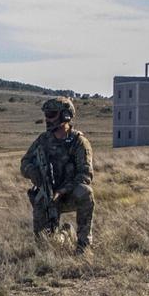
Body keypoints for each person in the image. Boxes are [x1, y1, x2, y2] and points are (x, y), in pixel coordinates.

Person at [20, 97, 95, 253]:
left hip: (70, 194)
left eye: (52, 114)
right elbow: (25, 163)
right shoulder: (43, 140)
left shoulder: (79, 142)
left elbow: (85, 175)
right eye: (46, 114)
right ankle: (66, 234)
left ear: (65, 116)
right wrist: (34, 174)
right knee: (46, 246)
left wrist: (62, 191)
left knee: (86, 192)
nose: (47, 119)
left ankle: (83, 245)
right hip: (48, 195)